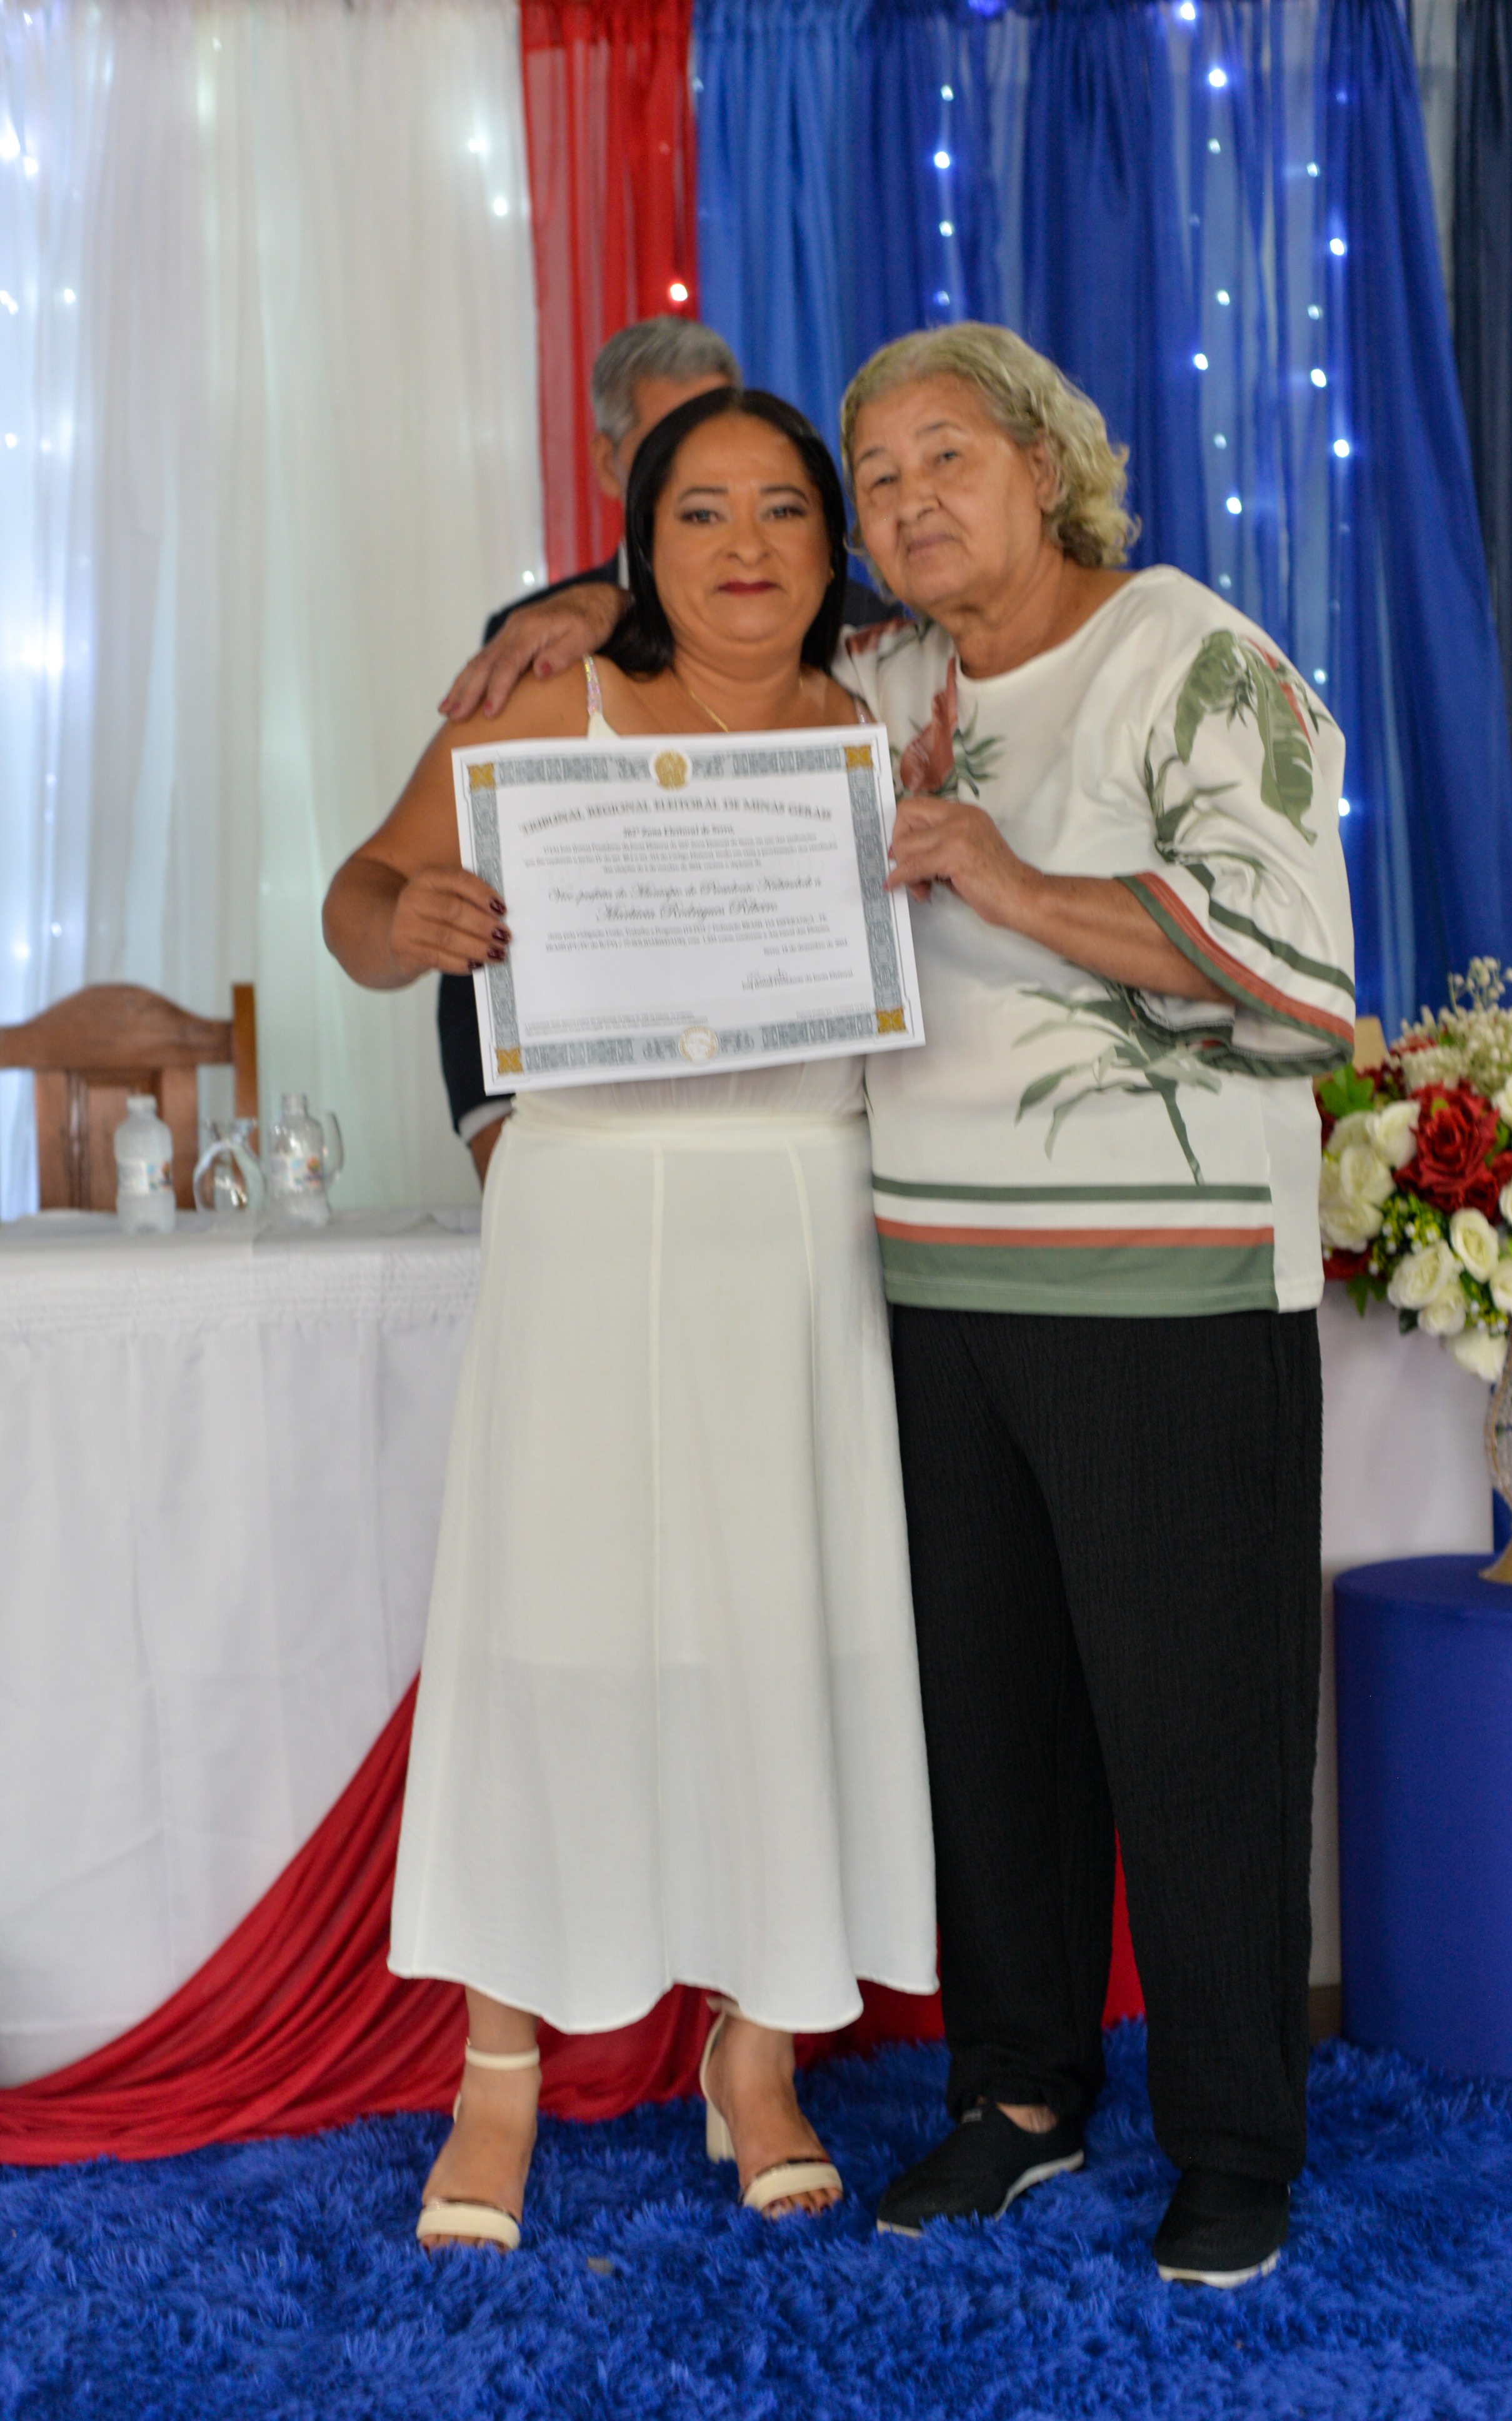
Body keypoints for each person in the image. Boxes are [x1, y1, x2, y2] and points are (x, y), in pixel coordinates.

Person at [444, 323, 1355, 2289]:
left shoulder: (1190, 651)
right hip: (927, 1279)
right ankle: (1017, 2098)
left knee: (1192, 1731)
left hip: (1167, 1276)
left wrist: (1009, 880)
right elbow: (712, 621)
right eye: (875, 477)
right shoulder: (885, 678)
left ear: (1046, 463)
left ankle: (1229, 2144)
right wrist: (571, 611)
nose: (905, 501)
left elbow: (1298, 978)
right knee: (994, 1735)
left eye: (946, 456)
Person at [322, 386, 936, 2252]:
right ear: (636, 548)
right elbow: (355, 901)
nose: (743, 545)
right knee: (554, 1625)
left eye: (782, 508)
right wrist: (408, 921)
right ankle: (497, 2066)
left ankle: (756, 2050)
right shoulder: (546, 704)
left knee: (786, 1629)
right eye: (700, 512)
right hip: (583, 1214)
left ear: (833, 546)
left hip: (808, 1217)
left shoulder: (891, 716)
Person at [441, 316, 892, 1182]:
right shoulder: (538, 646)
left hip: (817, 1139)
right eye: (679, 460)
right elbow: (465, 907)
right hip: (587, 1150)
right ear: (616, 466)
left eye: (777, 503)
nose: (744, 538)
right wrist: (491, 1118)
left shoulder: (876, 645)